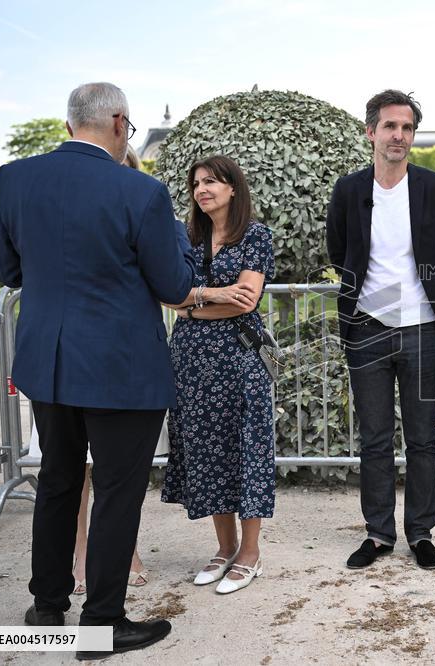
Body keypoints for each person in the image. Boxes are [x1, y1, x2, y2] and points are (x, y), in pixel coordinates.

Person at [0, 82, 194, 658]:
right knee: (115, 491)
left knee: (57, 482)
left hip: (48, 363)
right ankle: (102, 623)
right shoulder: (142, 191)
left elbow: (11, 272)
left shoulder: (14, 178)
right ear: (119, 123)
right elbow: (175, 286)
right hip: (120, 369)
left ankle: (47, 606)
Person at [326, 89, 435, 570]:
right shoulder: (349, 190)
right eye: (390, 126)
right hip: (367, 327)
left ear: (412, 135)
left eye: (406, 127)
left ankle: (420, 532)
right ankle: (379, 533)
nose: (398, 135)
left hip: (422, 327)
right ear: (371, 132)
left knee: (423, 439)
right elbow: (339, 253)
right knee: (375, 438)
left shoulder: (434, 187)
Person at [161, 155, 276, 593]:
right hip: (191, 363)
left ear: (232, 188)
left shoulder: (255, 236)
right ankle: (224, 547)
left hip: (239, 360)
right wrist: (208, 296)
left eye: (211, 181)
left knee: (244, 450)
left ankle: (250, 553)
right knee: (207, 452)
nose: (202, 189)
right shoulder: (188, 238)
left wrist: (192, 303)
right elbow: (168, 294)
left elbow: (245, 301)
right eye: (196, 184)